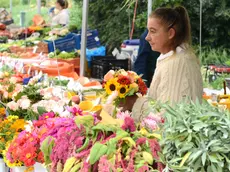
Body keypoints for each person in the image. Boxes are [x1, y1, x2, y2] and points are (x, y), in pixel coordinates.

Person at [145, 6, 203, 104]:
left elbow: (167, 114)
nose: (147, 37)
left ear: (170, 33)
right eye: (148, 31)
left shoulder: (176, 64)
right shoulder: (177, 58)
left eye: (153, 31)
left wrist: (134, 104)